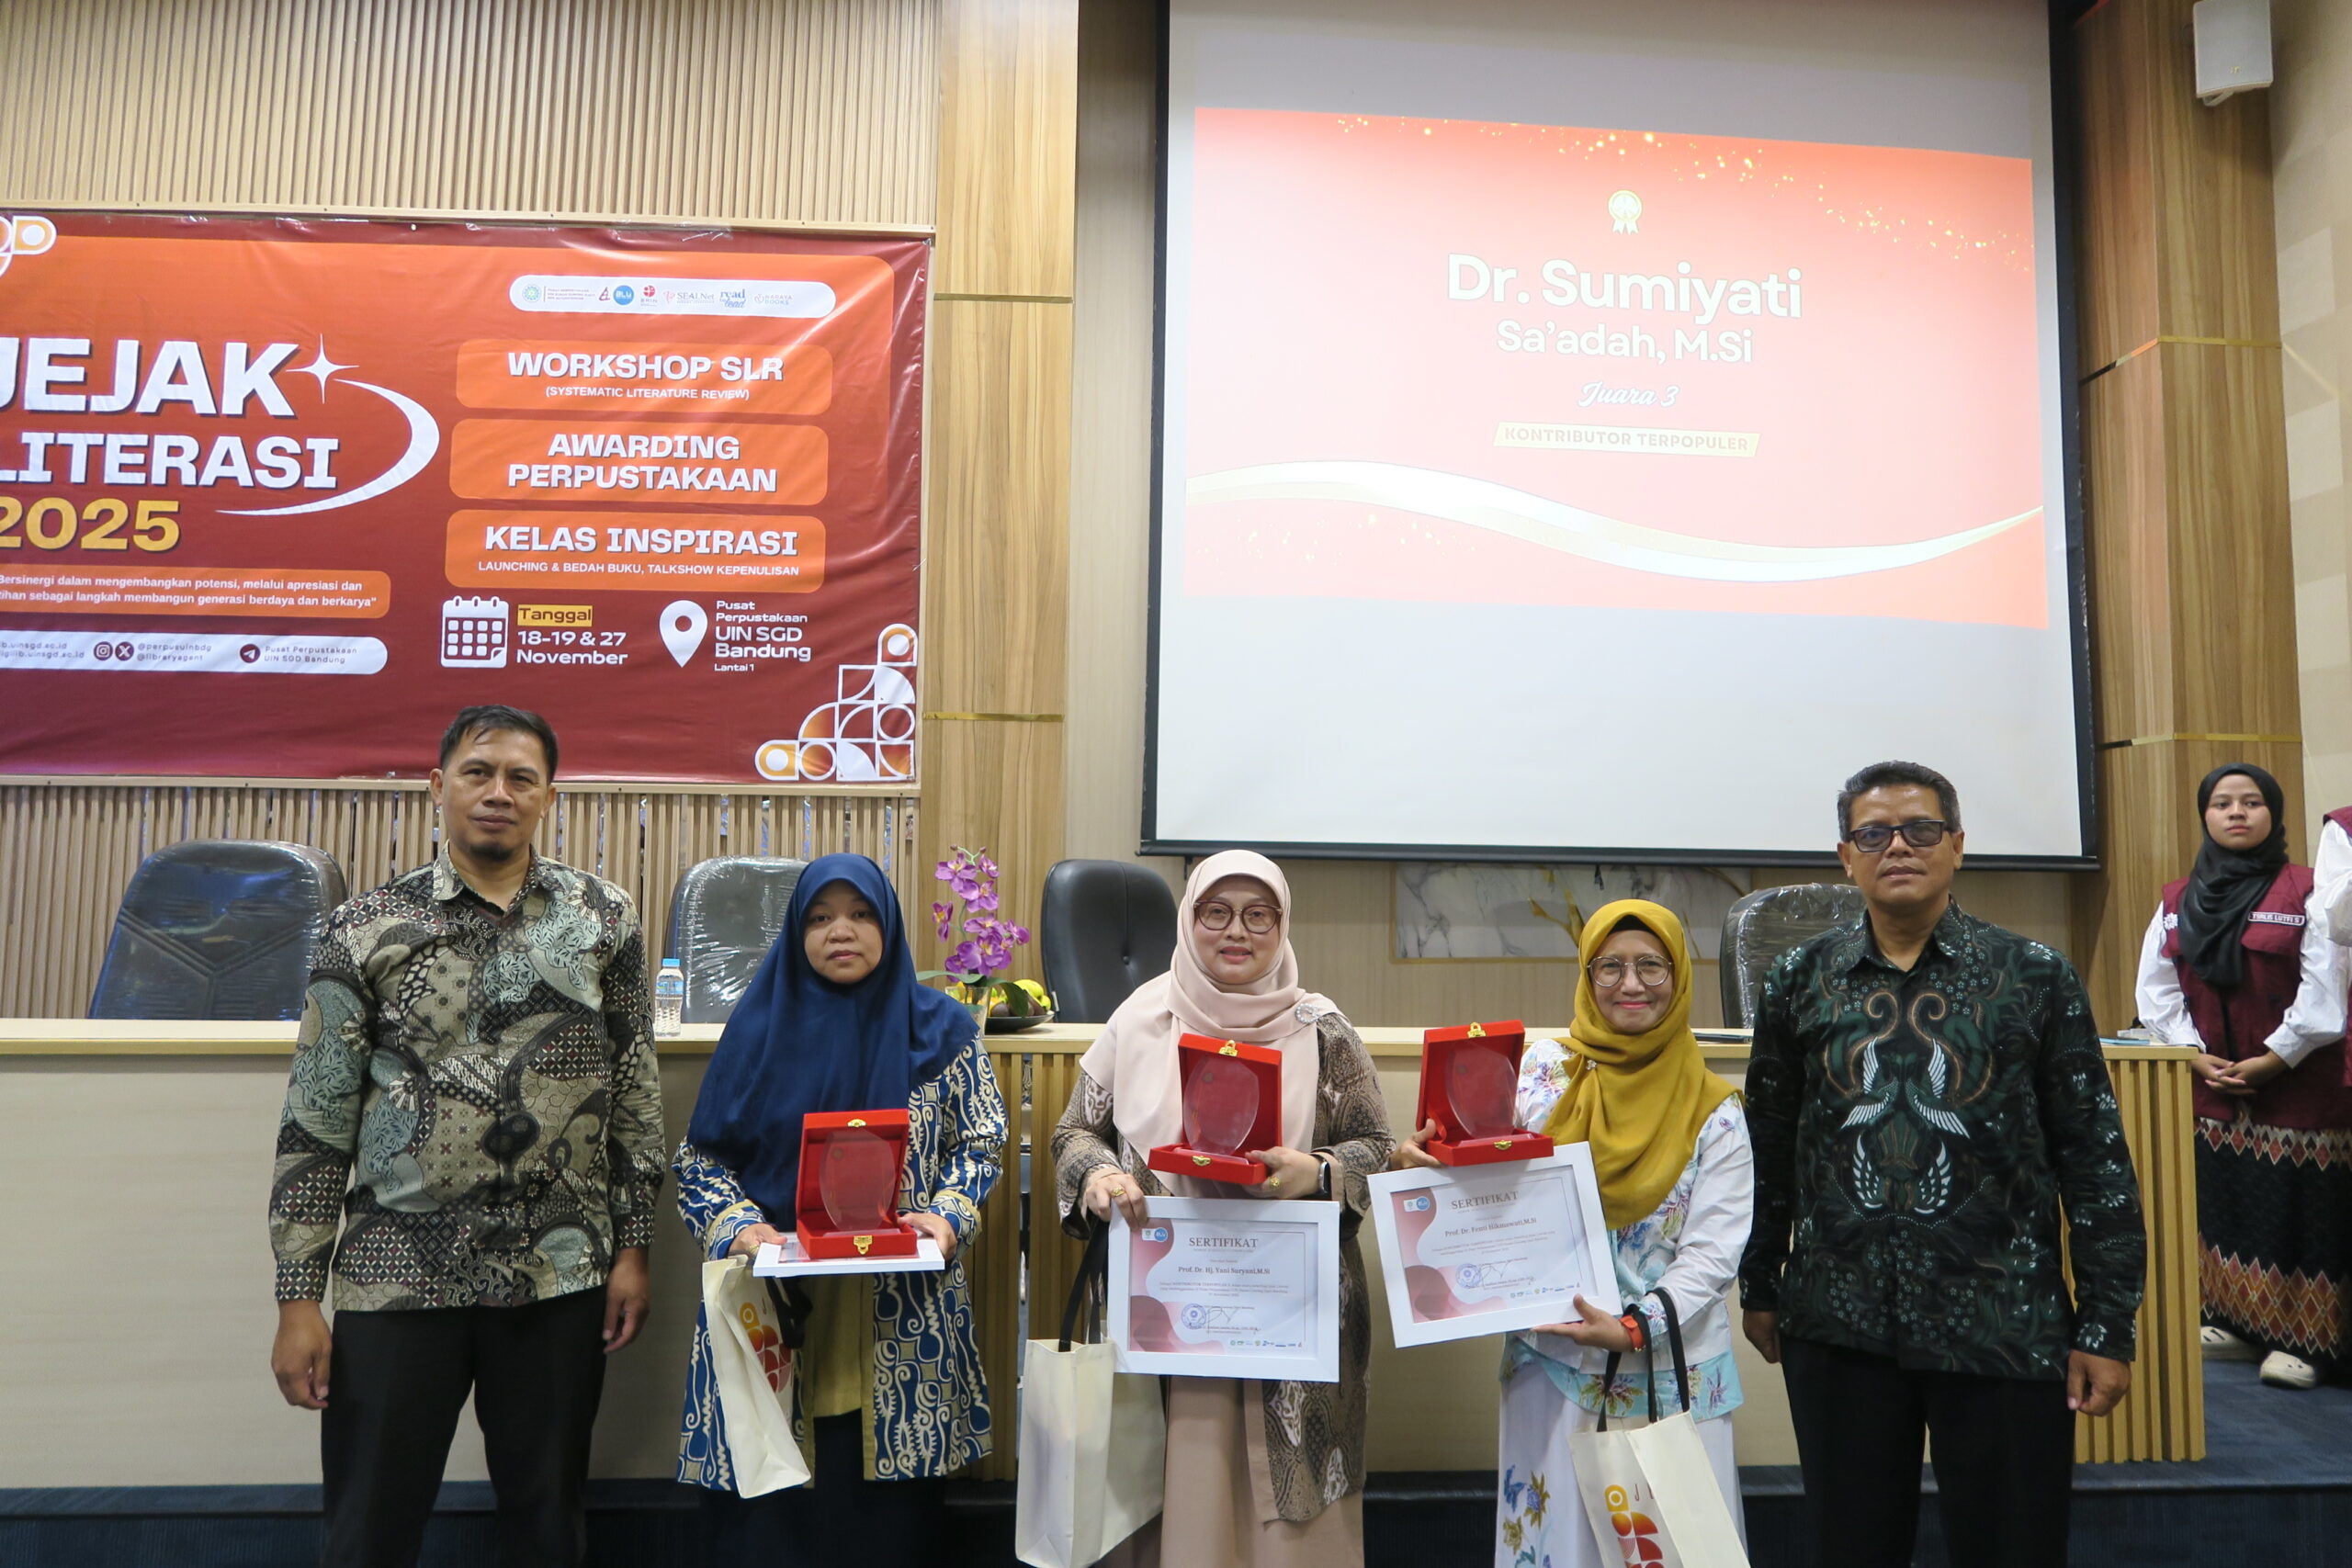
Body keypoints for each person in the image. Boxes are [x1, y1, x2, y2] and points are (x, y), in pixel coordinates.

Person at [267, 705, 666, 1568]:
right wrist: (298, 1296)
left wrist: (633, 1246)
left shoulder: (603, 916)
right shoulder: (364, 925)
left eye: (521, 778)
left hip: (558, 1268)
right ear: (437, 784)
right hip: (396, 1271)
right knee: (370, 1527)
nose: (498, 793)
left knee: (547, 1522)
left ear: (549, 796)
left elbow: (634, 1086)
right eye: (478, 772)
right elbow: (317, 1116)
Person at [1738, 760, 2145, 1568]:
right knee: (1852, 1549)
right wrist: (1760, 1280)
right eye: (1873, 834)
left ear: (1957, 845)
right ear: (1845, 856)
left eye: (1921, 829)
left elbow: (2094, 1159)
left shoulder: (2035, 976)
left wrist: (2107, 1322)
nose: (1898, 846)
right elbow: (1769, 1144)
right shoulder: (1798, 979)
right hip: (1840, 1322)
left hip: (2004, 1320)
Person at [1053, 850, 1396, 1568]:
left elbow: (1376, 1146)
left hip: (1291, 1315)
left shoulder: (1322, 1027)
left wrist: (1318, 1170)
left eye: (1258, 915)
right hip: (1168, 1304)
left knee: (1288, 1523)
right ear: (1189, 918)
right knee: (1173, 1487)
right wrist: (1099, 1174)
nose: (1236, 931)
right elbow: (1074, 1131)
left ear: (1282, 924)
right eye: (1217, 912)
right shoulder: (1139, 1017)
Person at [671, 852, 1007, 1565]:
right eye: (820, 917)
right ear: (797, 932)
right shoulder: (757, 1029)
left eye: (859, 914)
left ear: (888, 924)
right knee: (768, 1521)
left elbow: (981, 1140)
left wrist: (950, 1213)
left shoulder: (944, 1029)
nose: (841, 931)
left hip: (898, 1309)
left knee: (888, 1530)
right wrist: (739, 1227)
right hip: (774, 1301)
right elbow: (700, 1162)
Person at [1395, 900, 1750, 1568]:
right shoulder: (1541, 1072)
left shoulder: (1716, 1112)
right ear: (1586, 977)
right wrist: (1424, 1163)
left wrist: (1635, 1326)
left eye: (1651, 965)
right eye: (1609, 966)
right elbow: (1489, 1180)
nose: (1631, 983)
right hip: (1552, 1365)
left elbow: (1714, 1253)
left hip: (1670, 1374)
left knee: (1673, 1547)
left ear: (1679, 977)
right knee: (1556, 1545)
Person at [2135, 763, 2349, 1389]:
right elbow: (2157, 990)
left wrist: (2276, 1057)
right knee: (2225, 1204)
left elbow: (2328, 989)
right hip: (2213, 1086)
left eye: (2252, 802)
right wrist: (2191, 1053)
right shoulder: (2177, 898)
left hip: (2300, 1086)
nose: (2236, 813)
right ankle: (2235, 1323)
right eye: (2222, 803)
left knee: (2304, 1212)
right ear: (2204, 815)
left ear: (2273, 814)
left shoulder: (2308, 890)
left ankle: (2307, 1343)